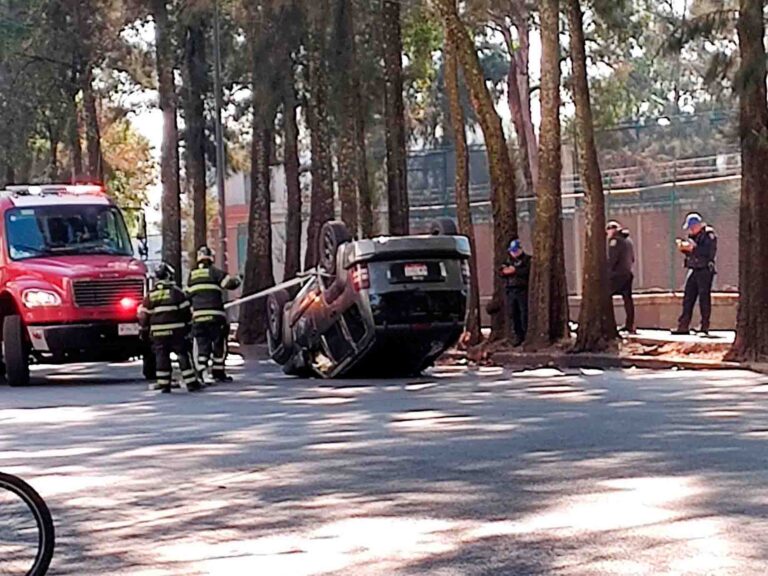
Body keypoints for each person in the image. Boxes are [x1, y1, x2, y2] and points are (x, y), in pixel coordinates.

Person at [138, 262, 201, 393]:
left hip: (157, 334)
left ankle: (164, 384)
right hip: (176, 331)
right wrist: (188, 328)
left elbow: (144, 316)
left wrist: (144, 331)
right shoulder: (177, 293)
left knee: (162, 357)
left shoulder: (150, 295)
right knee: (183, 355)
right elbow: (186, 312)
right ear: (169, 276)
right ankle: (191, 383)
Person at [187, 246, 241, 382]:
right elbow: (230, 284)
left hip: (198, 318)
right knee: (218, 344)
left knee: (202, 344)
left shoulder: (192, 276)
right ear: (211, 258)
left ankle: (202, 371)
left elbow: (188, 296)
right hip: (215, 316)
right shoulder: (215, 273)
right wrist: (239, 278)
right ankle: (218, 372)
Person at [672, 212, 717, 335]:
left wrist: (692, 248)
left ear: (698, 225)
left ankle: (704, 326)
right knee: (688, 297)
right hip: (694, 268)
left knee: (704, 298)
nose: (691, 230)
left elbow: (708, 252)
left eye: (692, 227)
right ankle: (683, 326)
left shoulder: (709, 235)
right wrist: (684, 249)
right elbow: (693, 253)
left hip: (704, 270)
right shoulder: (693, 236)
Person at [499, 238, 531, 346]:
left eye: (516, 251)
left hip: (522, 290)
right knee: (513, 314)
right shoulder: (508, 261)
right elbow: (502, 272)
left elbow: (526, 272)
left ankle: (526, 334)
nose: (514, 253)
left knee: (523, 313)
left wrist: (515, 271)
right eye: (512, 251)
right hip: (511, 290)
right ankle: (518, 336)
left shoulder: (527, 260)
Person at [606, 220, 636, 333]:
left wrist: (607, 272)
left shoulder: (615, 241)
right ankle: (630, 324)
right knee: (628, 299)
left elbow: (612, 259)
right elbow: (632, 258)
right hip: (627, 273)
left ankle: (608, 323)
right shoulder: (628, 240)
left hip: (617, 275)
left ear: (611, 230)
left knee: (605, 296)